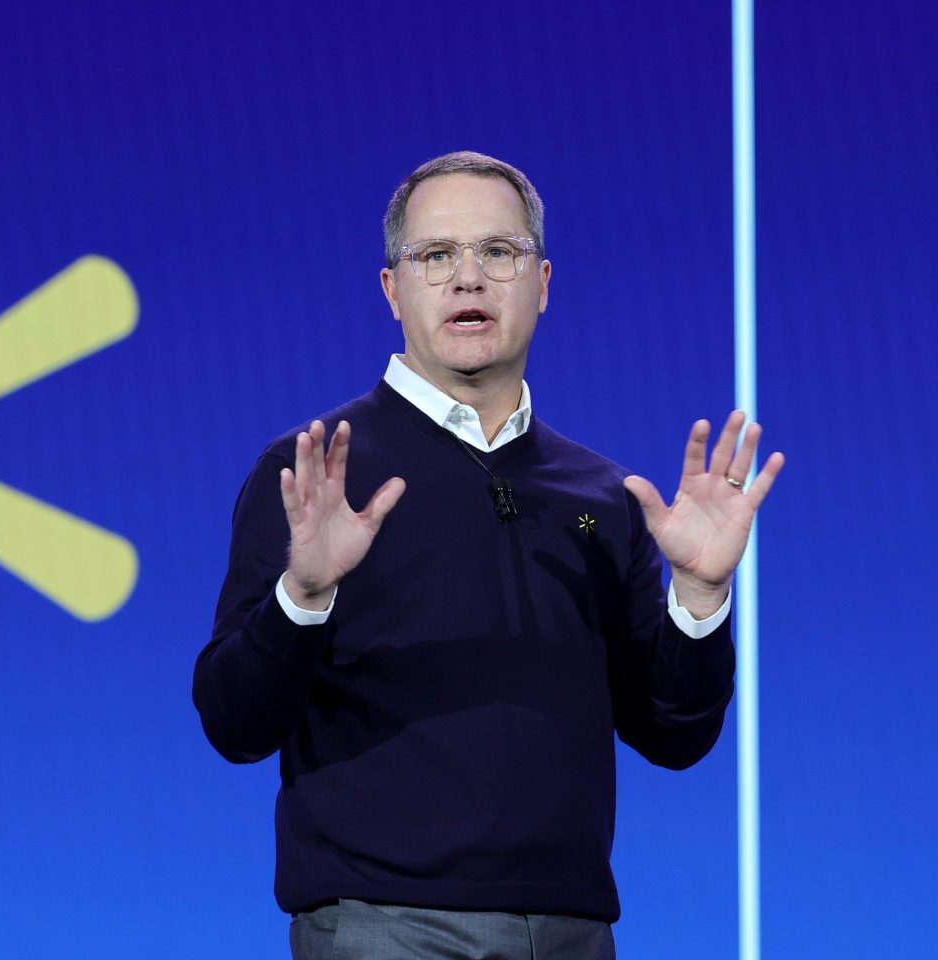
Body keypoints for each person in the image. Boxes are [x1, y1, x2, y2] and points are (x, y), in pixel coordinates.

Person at [192, 152, 784, 960]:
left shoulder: (603, 495)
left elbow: (674, 736)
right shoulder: (317, 475)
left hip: (574, 933)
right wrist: (303, 594)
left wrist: (700, 594)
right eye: (437, 256)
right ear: (392, 291)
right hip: (383, 926)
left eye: (497, 253)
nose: (468, 279)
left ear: (541, 283)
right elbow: (235, 724)